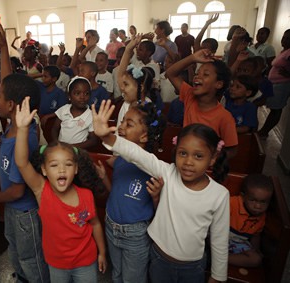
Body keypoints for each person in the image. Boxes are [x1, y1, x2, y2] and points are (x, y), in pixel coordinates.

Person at [92, 102, 230, 283]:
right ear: (175, 152)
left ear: (212, 159)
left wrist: (218, 276)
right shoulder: (167, 172)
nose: (188, 162)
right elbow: (136, 154)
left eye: (198, 156)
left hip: (192, 265)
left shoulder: (219, 195)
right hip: (159, 258)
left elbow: (219, 240)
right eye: (182, 153)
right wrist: (108, 138)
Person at [15, 96, 107, 282]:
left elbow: (95, 224)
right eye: (54, 165)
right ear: (44, 170)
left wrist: (102, 253)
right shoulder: (42, 191)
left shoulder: (86, 195)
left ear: (76, 169)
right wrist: (23, 129)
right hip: (57, 264)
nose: (62, 170)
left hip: (85, 262)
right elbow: (22, 163)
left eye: (68, 165)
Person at [0, 17, 50, 283]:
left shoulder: (22, 138)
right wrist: (4, 48)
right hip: (15, 210)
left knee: (31, 256)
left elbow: (16, 190)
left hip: (23, 209)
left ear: (12, 105)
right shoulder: (13, 123)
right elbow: (8, 81)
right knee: (15, 249)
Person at [94, 102, 164, 283]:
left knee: (133, 278)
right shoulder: (119, 160)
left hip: (135, 234)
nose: (121, 127)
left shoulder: (151, 168)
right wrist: (104, 178)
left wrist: (156, 196)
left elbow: (159, 212)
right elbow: (116, 193)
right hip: (111, 225)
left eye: (129, 124)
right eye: (122, 121)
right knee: (116, 273)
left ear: (144, 136)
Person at [166, 48, 238, 158]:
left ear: (218, 84)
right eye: (197, 73)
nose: (197, 77)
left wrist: (208, 159)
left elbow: (232, 150)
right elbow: (171, 73)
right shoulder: (190, 96)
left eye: (205, 74)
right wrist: (193, 58)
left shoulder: (224, 117)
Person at [229, 174, 273, 267]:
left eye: (263, 202)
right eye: (253, 200)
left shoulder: (262, 216)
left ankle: (219, 258)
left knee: (256, 259)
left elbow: (256, 235)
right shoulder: (232, 203)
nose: (258, 206)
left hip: (238, 244)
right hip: (219, 238)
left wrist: (255, 250)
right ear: (243, 197)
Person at [116, 35, 159, 127]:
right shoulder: (127, 102)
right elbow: (120, 75)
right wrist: (128, 49)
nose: (122, 87)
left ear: (141, 87)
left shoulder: (147, 108)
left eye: (126, 84)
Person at [258, 29, 290, 139]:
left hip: (282, 86)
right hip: (274, 84)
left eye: (288, 38)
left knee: (276, 110)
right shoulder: (284, 51)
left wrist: (288, 74)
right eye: (284, 37)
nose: (284, 40)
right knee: (273, 108)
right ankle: (263, 131)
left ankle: (264, 132)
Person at [51, 76, 98, 150]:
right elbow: (54, 129)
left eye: (86, 93)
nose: (82, 97)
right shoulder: (64, 109)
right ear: (69, 96)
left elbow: (93, 141)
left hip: (78, 152)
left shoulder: (91, 115)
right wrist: (57, 143)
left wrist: (72, 147)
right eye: (77, 93)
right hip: (61, 149)